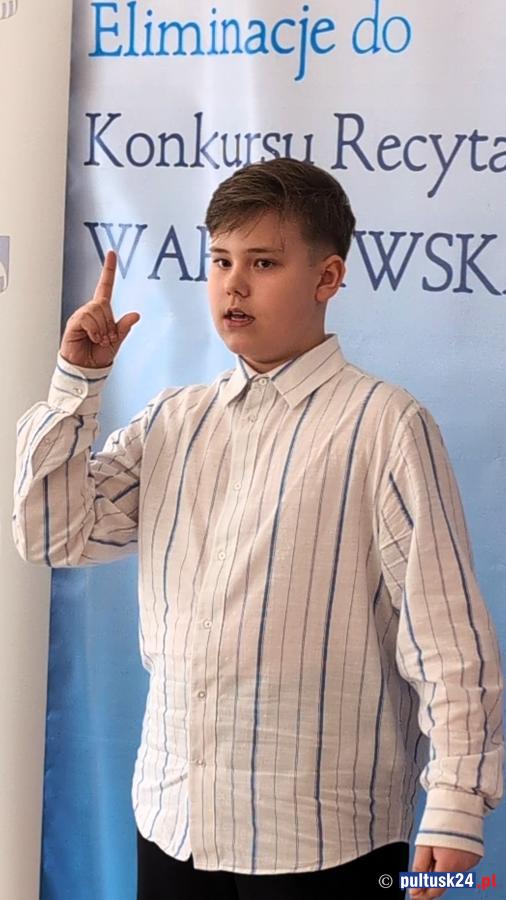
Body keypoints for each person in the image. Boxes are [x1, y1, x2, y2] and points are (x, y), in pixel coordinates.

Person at [13, 159, 503, 900]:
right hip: (175, 821)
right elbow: (52, 533)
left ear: (327, 277)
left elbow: (448, 639)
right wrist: (76, 382)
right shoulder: (174, 420)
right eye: (220, 261)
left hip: (321, 835)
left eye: (263, 263)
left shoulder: (384, 426)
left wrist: (457, 802)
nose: (233, 286)